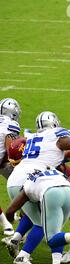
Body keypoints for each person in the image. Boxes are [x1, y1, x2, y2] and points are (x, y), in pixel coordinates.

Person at [5, 111, 70, 264]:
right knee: (45, 224)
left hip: (15, 179)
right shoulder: (55, 135)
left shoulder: (33, 137)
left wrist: (10, 215)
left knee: (40, 219)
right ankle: (27, 256)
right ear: (55, 124)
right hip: (32, 179)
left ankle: (20, 245)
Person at [5, 169, 70, 264]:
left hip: (27, 185)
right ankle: (53, 263)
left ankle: (20, 245)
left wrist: (11, 219)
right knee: (50, 228)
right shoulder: (54, 169)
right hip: (61, 189)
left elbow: (10, 211)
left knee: (39, 221)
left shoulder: (30, 176)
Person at [0, 98, 21, 236]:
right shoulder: (11, 124)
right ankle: (12, 223)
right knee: (23, 185)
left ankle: (8, 222)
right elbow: (11, 149)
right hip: (3, 161)